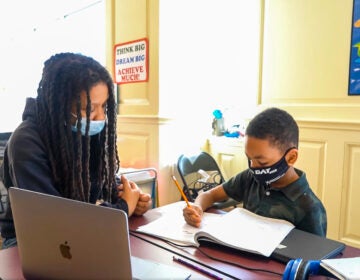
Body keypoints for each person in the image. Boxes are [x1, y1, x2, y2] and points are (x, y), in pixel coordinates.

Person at [0, 53, 152, 249]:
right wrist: (123, 208)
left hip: (81, 232)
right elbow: (54, 223)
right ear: (60, 104)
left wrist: (127, 195)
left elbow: (96, 182)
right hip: (29, 242)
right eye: (89, 109)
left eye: (104, 106)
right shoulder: (26, 142)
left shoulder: (83, 130)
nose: (99, 117)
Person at [183, 107, 327, 237]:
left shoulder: (310, 208)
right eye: (249, 159)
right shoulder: (249, 178)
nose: (253, 166)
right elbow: (210, 195)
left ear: (291, 157)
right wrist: (197, 207)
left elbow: (312, 261)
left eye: (262, 162)